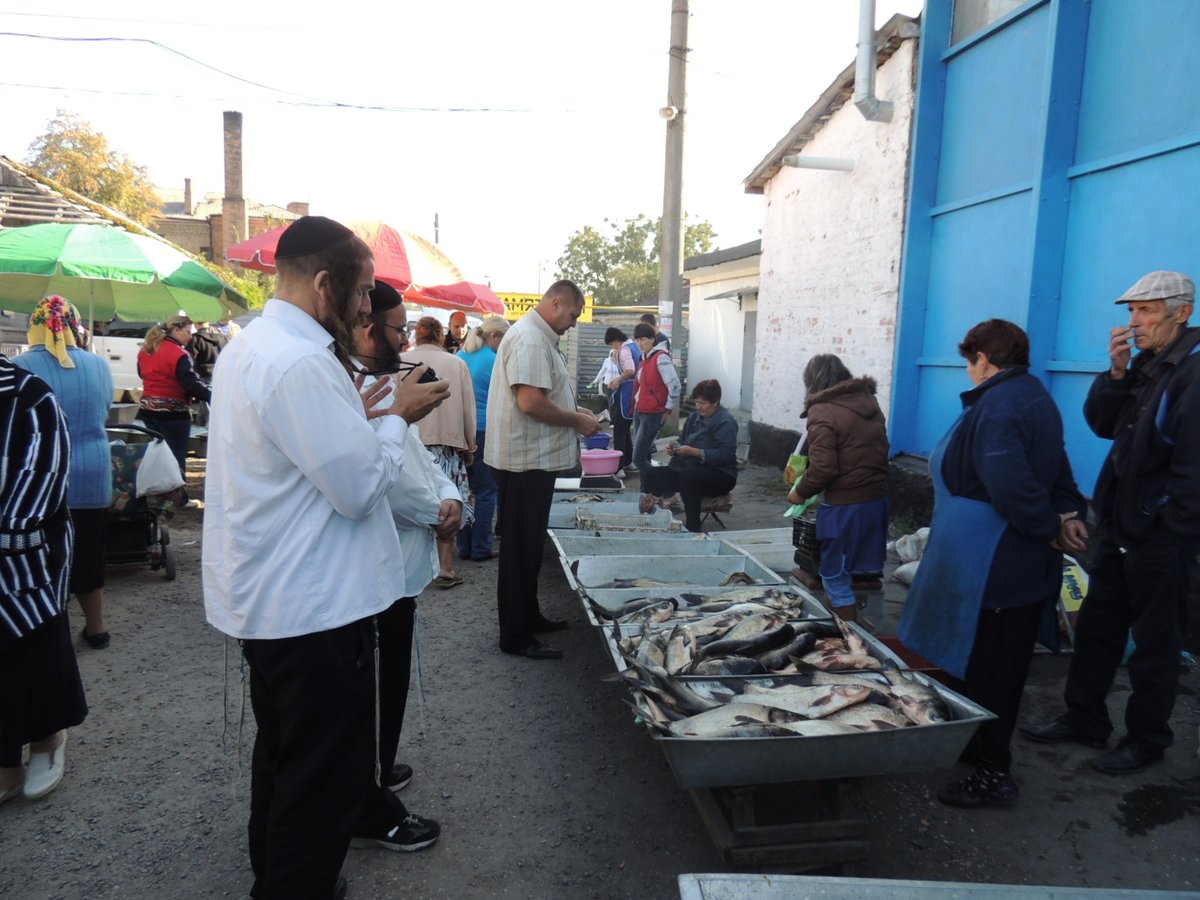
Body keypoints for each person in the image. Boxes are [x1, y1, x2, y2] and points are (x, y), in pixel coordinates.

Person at [202, 215, 448, 900]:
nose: (369, 306)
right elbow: (356, 489)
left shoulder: (258, 346)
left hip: (279, 601)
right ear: (323, 282)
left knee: (285, 758)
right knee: (322, 778)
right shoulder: (302, 360)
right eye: (364, 290)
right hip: (313, 609)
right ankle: (294, 887)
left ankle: (278, 879)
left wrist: (368, 418)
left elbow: (301, 458)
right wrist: (399, 416)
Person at [895, 322, 1087, 808]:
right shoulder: (1029, 396)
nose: (969, 370)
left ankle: (992, 773)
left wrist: (1049, 523)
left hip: (997, 567)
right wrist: (1068, 513)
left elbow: (1011, 486)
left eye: (969, 359)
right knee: (978, 663)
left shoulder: (1001, 405)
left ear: (983, 357)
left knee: (993, 671)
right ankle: (971, 744)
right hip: (986, 562)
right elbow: (1059, 471)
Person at [1021, 271, 1200, 776]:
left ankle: (1146, 739)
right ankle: (1084, 718)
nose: (1133, 322)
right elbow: (1103, 425)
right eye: (1130, 312)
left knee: (1156, 644)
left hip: (1159, 538)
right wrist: (1117, 372)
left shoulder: (1192, 371)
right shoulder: (1149, 365)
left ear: (1181, 312)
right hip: (1121, 529)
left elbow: (1194, 470)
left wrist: (1168, 530)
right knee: (1098, 629)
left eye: (1145, 311)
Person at [348, 281, 455, 854]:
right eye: (398, 329)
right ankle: (366, 790)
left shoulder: (382, 384)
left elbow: (419, 458)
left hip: (403, 564)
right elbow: (382, 485)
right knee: (372, 686)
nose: (407, 339)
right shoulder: (347, 389)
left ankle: (378, 766)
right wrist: (435, 509)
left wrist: (448, 494)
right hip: (375, 571)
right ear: (370, 330)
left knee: (389, 683)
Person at [485, 279, 599, 660]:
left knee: (529, 548)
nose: (573, 322)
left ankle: (528, 617)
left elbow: (543, 396)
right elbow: (531, 402)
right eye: (572, 314)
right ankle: (515, 636)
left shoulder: (537, 337)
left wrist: (575, 411)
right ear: (556, 302)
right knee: (520, 551)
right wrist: (576, 422)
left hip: (530, 461)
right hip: (525, 463)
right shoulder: (532, 339)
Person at [0, 354, 86, 806]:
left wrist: (11, 528)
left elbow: (44, 477)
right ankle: (5, 762)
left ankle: (47, 740)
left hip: (26, 553)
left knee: (34, 648)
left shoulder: (30, 395)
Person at [14, 296, 115, 649]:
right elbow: (105, 408)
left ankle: (48, 628)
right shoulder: (99, 366)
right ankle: (97, 628)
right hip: (94, 475)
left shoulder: (21, 365)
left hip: (42, 479)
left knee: (43, 558)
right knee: (90, 554)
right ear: (75, 325)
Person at [786, 355, 890, 622]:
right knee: (857, 571)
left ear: (812, 382)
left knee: (834, 577)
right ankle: (855, 630)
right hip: (876, 502)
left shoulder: (822, 411)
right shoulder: (868, 402)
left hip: (845, 507)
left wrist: (800, 492)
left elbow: (824, 469)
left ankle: (847, 644)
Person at [401, 316, 477, 588]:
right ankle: (446, 568)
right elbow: (468, 408)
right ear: (440, 335)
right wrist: (470, 445)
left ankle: (418, 566)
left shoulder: (400, 361)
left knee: (416, 503)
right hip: (446, 444)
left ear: (417, 336)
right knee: (448, 503)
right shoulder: (457, 363)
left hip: (408, 440)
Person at [638, 380, 738, 532]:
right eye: (697, 402)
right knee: (652, 473)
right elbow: (682, 441)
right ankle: (650, 517)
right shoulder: (694, 418)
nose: (699, 406)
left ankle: (692, 526)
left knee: (690, 476)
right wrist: (675, 448)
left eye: (703, 403)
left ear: (716, 402)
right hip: (690, 468)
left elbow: (725, 455)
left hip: (721, 475)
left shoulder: (725, 422)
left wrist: (694, 452)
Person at [136, 313, 211, 485]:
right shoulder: (179, 354)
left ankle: (155, 489)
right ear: (176, 330)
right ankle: (178, 497)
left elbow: (142, 374)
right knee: (176, 456)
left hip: (147, 410)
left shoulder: (146, 350)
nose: (190, 336)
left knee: (156, 453)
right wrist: (212, 396)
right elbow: (190, 384)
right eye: (187, 331)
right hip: (173, 413)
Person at [457, 315, 509, 561]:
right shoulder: (494, 360)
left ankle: (464, 546)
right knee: (488, 491)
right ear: (495, 337)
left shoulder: (460, 356)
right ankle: (481, 547)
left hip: (461, 431)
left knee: (465, 489)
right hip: (487, 430)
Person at [631, 322, 680, 490]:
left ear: (652, 339)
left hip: (652, 414)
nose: (640, 343)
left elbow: (675, 386)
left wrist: (667, 409)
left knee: (637, 459)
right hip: (640, 411)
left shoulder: (660, 357)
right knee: (644, 455)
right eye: (637, 340)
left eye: (643, 339)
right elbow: (642, 387)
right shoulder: (645, 359)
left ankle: (667, 490)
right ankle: (647, 492)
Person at [600, 327, 637, 469]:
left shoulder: (624, 350)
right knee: (625, 428)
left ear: (615, 340)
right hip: (636, 392)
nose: (612, 347)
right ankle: (628, 461)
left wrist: (617, 381)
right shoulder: (634, 346)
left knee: (619, 430)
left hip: (627, 394)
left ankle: (618, 466)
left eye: (611, 344)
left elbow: (630, 370)